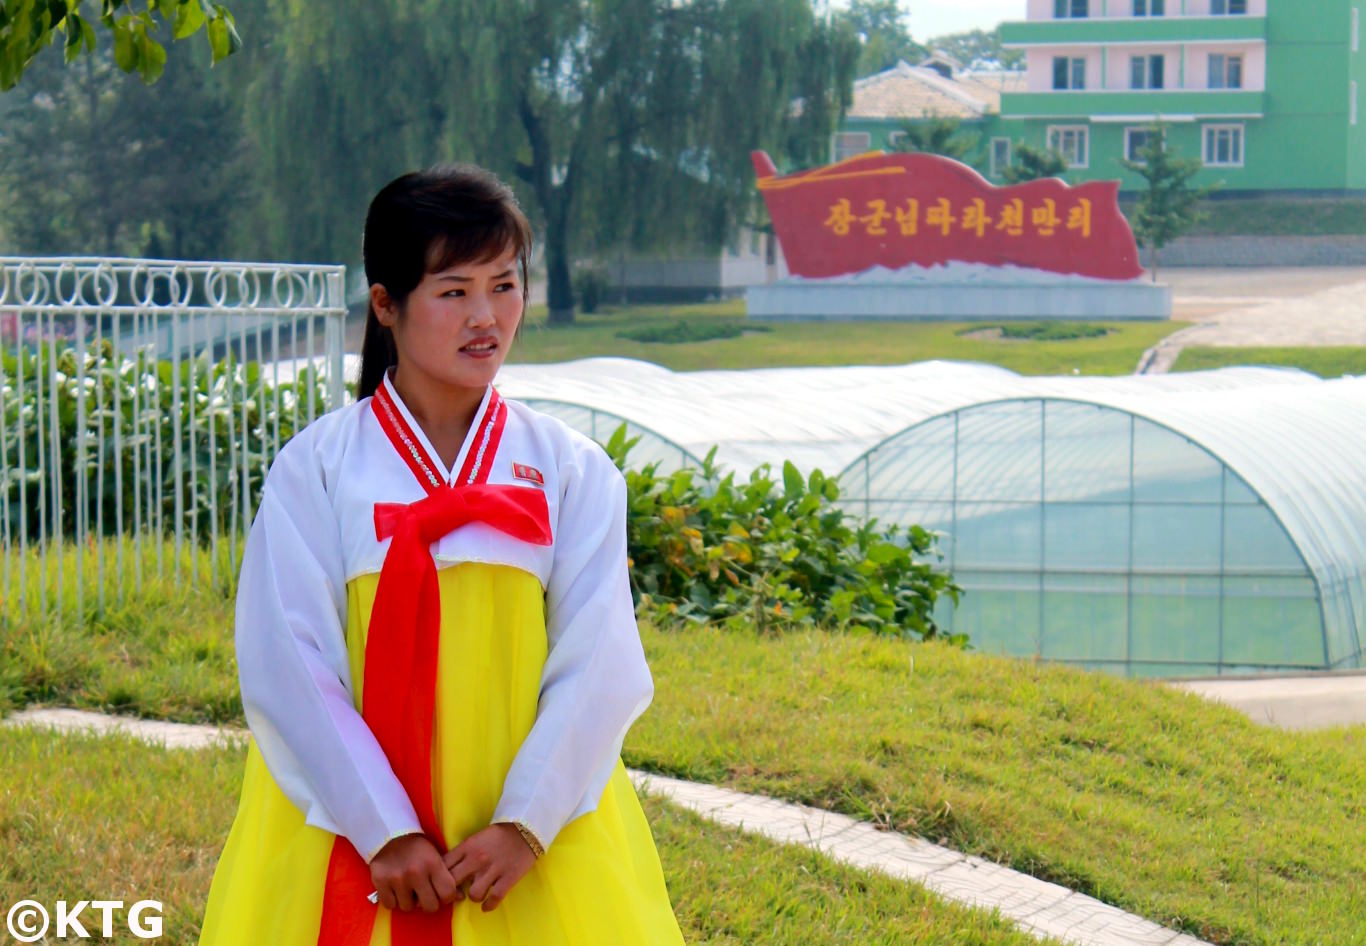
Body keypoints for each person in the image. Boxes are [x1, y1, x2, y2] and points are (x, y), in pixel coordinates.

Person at [198, 164, 686, 945]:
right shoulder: (316, 468)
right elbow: (289, 661)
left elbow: (600, 662)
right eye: (454, 292)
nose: (486, 317)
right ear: (386, 305)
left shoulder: (570, 469)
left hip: (526, 847)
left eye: (504, 285)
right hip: (347, 832)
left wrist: (524, 826)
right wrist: (382, 830)